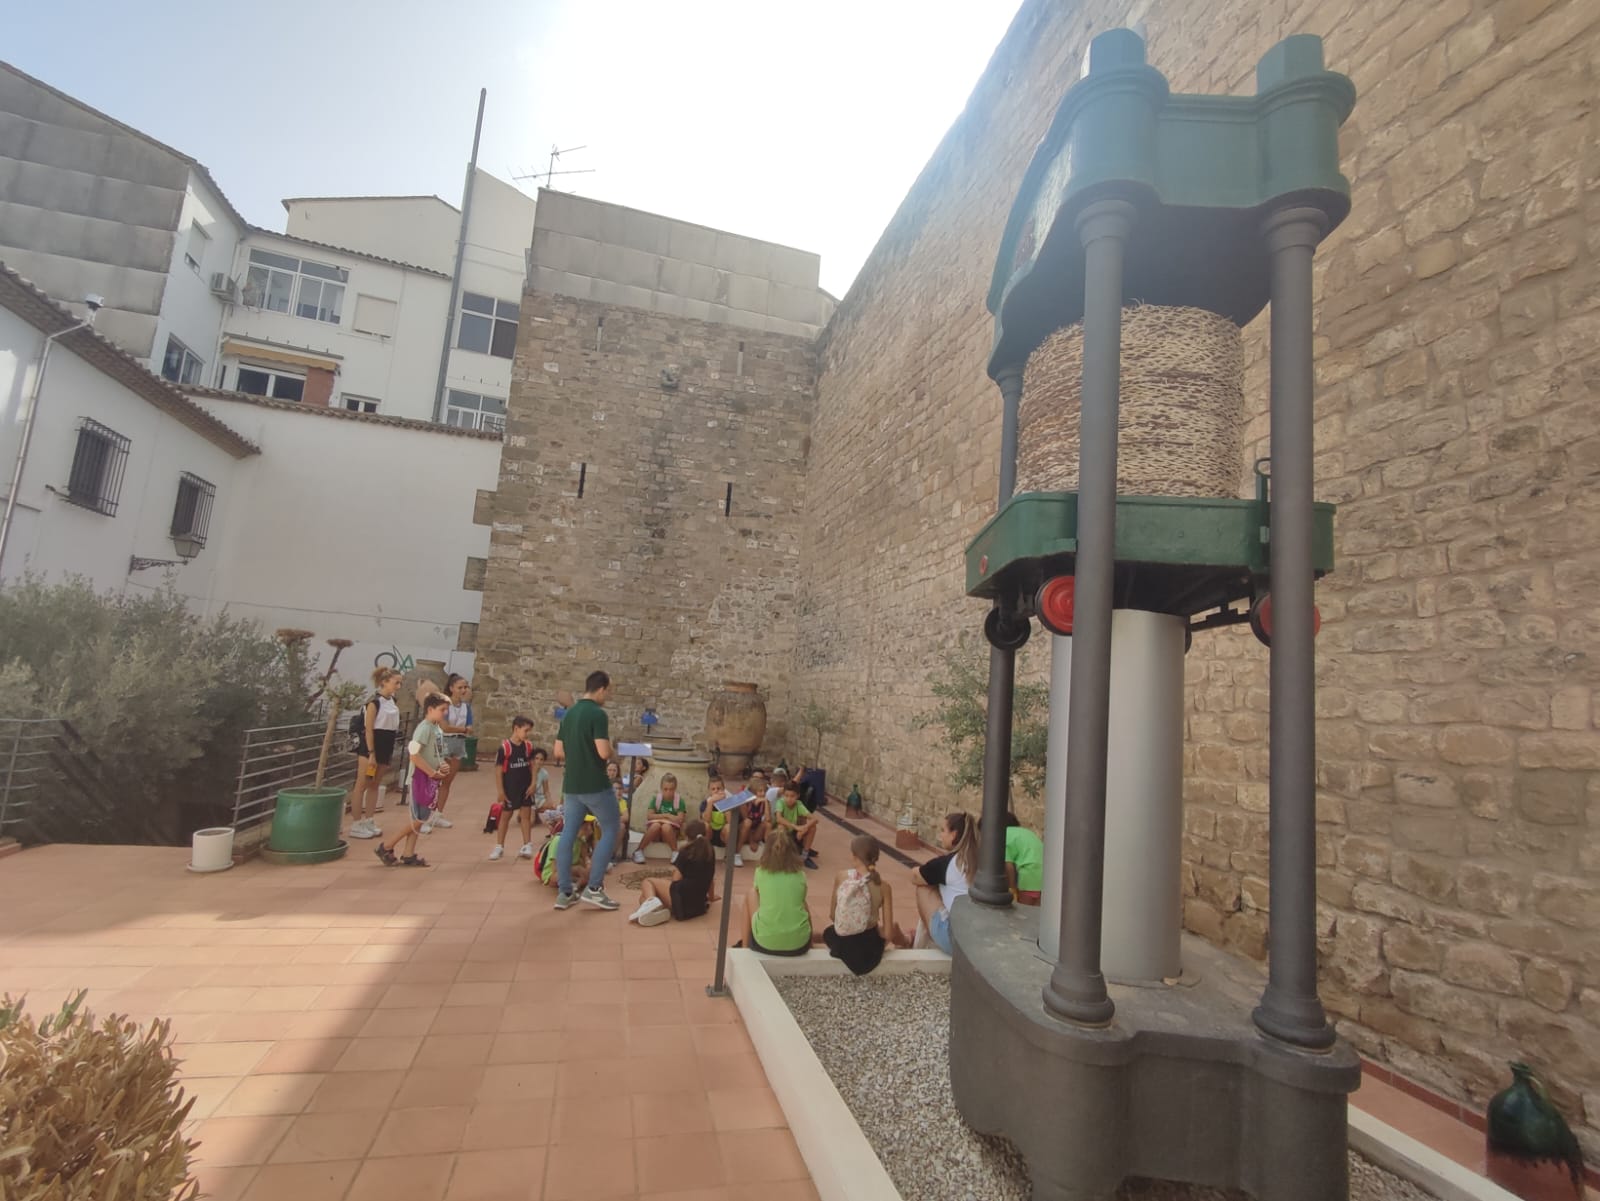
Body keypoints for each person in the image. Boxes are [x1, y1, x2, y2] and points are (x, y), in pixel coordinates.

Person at [552, 670, 622, 910]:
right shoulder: (597, 715)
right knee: (612, 827)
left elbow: (558, 752)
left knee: (568, 833)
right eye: (609, 691)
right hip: (594, 783)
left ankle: (564, 892)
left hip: (571, 784)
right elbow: (603, 752)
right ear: (601, 688)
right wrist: (614, 753)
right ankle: (594, 888)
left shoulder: (569, 714)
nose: (609, 695)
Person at [377, 693, 450, 867]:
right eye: (442, 710)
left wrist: (442, 765)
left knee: (419, 816)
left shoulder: (436, 729)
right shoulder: (424, 728)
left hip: (430, 777)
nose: (445, 713)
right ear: (430, 709)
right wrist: (432, 772)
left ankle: (408, 852)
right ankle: (387, 845)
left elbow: (438, 752)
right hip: (420, 777)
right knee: (419, 818)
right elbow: (414, 754)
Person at [823, 835, 911, 975]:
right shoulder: (884, 887)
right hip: (869, 954)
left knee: (828, 932)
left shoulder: (841, 877)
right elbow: (888, 934)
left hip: (843, 944)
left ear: (854, 856)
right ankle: (907, 942)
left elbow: (833, 915)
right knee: (892, 927)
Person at [628, 819, 718, 926]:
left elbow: (676, 880)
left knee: (647, 882)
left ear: (687, 836)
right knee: (642, 898)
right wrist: (711, 897)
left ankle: (654, 906)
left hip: (681, 902)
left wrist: (665, 888)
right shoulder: (709, 851)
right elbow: (711, 879)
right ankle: (654, 910)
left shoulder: (686, 851)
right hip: (698, 906)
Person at [912, 811, 978, 954]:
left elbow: (915, 876)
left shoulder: (950, 863)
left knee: (924, 888)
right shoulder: (979, 860)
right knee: (938, 884)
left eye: (943, 830)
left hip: (955, 942)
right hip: (977, 938)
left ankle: (927, 944)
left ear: (953, 835)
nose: (940, 835)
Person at [347, 667, 402, 839]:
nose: (398, 686)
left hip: (386, 744)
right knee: (361, 784)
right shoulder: (373, 702)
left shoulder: (392, 701)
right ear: (384, 682)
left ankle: (369, 819)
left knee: (375, 784)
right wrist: (371, 753)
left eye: (400, 683)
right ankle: (356, 823)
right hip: (372, 746)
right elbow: (369, 729)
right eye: (396, 683)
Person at [743, 827, 813, 957]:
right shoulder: (800, 875)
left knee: (751, 894)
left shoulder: (760, 872)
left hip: (765, 942)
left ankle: (744, 947)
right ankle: (810, 940)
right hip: (800, 944)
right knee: (803, 903)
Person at [489, 718, 539, 861]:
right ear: (516, 729)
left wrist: (533, 783)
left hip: (526, 787)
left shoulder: (528, 746)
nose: (528, 733)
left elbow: (533, 765)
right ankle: (499, 846)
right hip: (510, 788)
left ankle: (527, 845)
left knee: (526, 816)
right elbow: (498, 771)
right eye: (526, 730)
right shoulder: (504, 748)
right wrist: (500, 791)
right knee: (505, 816)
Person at [428, 675, 473, 830]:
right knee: (436, 777)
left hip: (458, 742)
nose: (463, 690)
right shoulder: (444, 704)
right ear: (452, 688)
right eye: (460, 687)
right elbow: (445, 726)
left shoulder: (466, 707)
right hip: (444, 741)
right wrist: (462, 729)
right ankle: (426, 813)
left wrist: (464, 730)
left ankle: (438, 813)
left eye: (465, 687)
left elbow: (470, 726)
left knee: (447, 780)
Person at [632, 772, 686, 862]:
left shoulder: (679, 801)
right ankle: (639, 850)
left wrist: (664, 818)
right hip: (656, 833)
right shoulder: (656, 799)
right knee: (656, 826)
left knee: (666, 827)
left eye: (671, 789)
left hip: (671, 833)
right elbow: (649, 816)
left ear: (675, 789)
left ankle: (675, 851)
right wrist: (667, 816)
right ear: (661, 788)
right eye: (665, 789)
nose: (668, 792)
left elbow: (680, 819)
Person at [534, 820, 596, 888]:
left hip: (570, 871)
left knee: (590, 875)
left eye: (590, 826)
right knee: (558, 877)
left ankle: (575, 883)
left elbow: (585, 859)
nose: (590, 831)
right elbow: (555, 868)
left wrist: (588, 865)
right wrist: (577, 870)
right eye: (586, 828)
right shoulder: (559, 840)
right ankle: (575, 883)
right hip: (553, 872)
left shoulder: (581, 841)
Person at [773, 781, 820, 868]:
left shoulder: (798, 804)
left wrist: (804, 828)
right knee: (781, 827)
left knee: (812, 826)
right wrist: (796, 827)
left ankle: (804, 856)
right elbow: (779, 819)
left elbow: (815, 819)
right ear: (783, 795)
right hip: (783, 833)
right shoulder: (780, 802)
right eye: (786, 796)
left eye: (792, 796)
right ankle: (782, 856)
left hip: (795, 832)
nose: (789, 799)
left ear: (798, 796)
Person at [1002, 811, 1044, 905]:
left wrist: (1012, 890)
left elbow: (1008, 866)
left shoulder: (1004, 835)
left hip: (1029, 877)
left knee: (1024, 915)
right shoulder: (1026, 832)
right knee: (1037, 916)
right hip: (1046, 876)